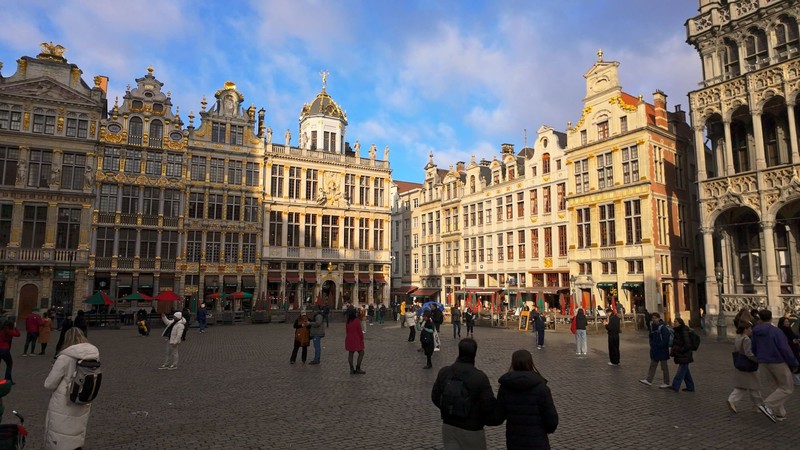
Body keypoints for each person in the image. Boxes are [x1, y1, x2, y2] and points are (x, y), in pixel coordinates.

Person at [431, 338, 502, 450]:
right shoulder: (479, 377)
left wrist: (450, 407)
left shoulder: (444, 372)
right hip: (472, 428)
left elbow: (435, 397)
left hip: (449, 425)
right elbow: (488, 406)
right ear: (475, 353)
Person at [44, 327, 99, 450]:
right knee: (76, 432)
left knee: (61, 435)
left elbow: (49, 384)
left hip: (64, 401)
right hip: (82, 397)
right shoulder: (93, 355)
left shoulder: (65, 357)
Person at [496, 349, 559, 450]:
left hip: (514, 442)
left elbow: (498, 416)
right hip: (538, 442)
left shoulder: (505, 388)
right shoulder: (541, 388)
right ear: (530, 363)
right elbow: (552, 421)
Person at [752, 309, 799, 422]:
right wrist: (794, 363)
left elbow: (753, 347)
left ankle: (780, 413)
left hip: (763, 362)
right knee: (787, 388)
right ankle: (767, 405)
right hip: (777, 361)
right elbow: (784, 348)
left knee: (776, 388)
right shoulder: (776, 331)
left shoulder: (755, 331)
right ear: (771, 317)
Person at [727, 320, 762, 413]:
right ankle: (758, 406)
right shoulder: (746, 339)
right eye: (750, 328)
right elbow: (749, 353)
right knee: (754, 386)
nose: (751, 330)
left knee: (743, 386)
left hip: (741, 364)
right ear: (745, 329)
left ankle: (733, 400)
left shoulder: (738, 337)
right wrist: (758, 360)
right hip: (748, 366)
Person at [639, 312, 671, 388]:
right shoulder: (652, 327)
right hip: (655, 349)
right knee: (653, 365)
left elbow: (666, 338)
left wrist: (660, 345)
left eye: (655, 318)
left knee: (664, 367)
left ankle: (666, 382)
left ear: (659, 318)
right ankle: (649, 380)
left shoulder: (662, 327)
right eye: (653, 318)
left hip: (662, 350)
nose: (653, 319)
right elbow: (651, 337)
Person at [668, 318, 695, 392]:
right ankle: (690, 386)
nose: (674, 323)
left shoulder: (683, 330)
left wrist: (680, 350)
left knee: (681, 371)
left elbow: (687, 344)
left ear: (680, 323)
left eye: (676, 321)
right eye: (674, 321)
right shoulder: (677, 330)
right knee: (685, 371)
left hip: (684, 354)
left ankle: (675, 386)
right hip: (681, 354)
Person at [777, 317, 800, 386]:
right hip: (790, 350)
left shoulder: (788, 329)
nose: (788, 323)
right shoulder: (782, 331)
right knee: (794, 364)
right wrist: (794, 341)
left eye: (788, 322)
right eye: (786, 322)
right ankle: (795, 380)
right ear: (782, 323)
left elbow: (793, 336)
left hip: (794, 349)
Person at [345, 307, 366, 374]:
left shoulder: (348, 321)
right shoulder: (356, 320)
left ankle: (351, 369)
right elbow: (359, 331)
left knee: (351, 353)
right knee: (361, 352)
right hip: (356, 338)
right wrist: (362, 338)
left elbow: (347, 331)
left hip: (349, 338)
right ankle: (358, 368)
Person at [0, 319, 20, 384]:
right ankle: (7, 380)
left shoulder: (1, 330)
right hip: (4, 349)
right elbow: (18, 334)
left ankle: (8, 380)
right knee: (9, 364)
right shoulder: (9, 331)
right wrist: (15, 328)